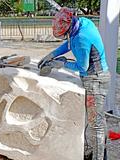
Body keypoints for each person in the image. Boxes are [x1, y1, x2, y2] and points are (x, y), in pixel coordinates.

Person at [38, 7, 110, 160]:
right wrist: (53, 54)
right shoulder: (82, 23)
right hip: (98, 76)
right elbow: (70, 42)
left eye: (64, 34)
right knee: (96, 120)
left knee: (95, 125)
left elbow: (82, 67)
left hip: (94, 81)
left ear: (68, 26)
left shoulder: (82, 38)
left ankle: (98, 157)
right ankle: (91, 152)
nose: (65, 37)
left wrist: (61, 63)